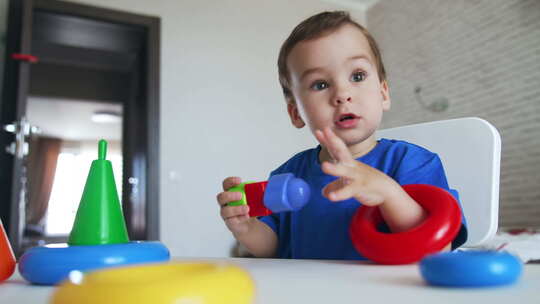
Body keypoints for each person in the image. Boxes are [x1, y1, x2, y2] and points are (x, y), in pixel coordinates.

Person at [216, 11, 467, 259]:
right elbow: (275, 247)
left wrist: (388, 194)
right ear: (296, 113)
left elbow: (438, 246)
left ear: (383, 94)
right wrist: (246, 228)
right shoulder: (287, 175)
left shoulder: (414, 163)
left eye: (357, 76)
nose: (342, 94)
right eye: (320, 84)